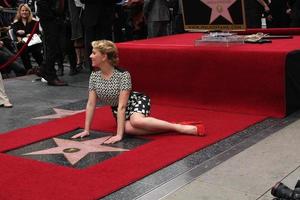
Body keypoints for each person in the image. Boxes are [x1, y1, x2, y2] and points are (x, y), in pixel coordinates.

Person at [71, 40, 205, 144]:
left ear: (104, 56)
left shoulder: (123, 75)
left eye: (94, 53)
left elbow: (123, 106)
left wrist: (119, 135)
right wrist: (86, 130)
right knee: (128, 129)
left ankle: (180, 128)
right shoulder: (94, 76)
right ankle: (173, 126)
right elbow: (90, 104)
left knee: (136, 122)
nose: (90, 55)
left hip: (135, 101)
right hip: (118, 110)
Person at [36, 0, 68, 86]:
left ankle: (43, 68)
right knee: (53, 48)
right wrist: (53, 17)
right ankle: (51, 76)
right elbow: (41, 3)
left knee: (57, 48)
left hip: (56, 20)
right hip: (50, 21)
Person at [12, 3, 43, 74]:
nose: (24, 12)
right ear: (20, 12)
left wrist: (24, 33)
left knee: (36, 50)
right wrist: (26, 34)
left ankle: (42, 66)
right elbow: (15, 31)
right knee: (22, 47)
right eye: (22, 10)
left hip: (33, 41)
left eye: (26, 10)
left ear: (29, 11)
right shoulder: (16, 21)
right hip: (23, 43)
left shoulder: (34, 21)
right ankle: (28, 68)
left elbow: (36, 31)